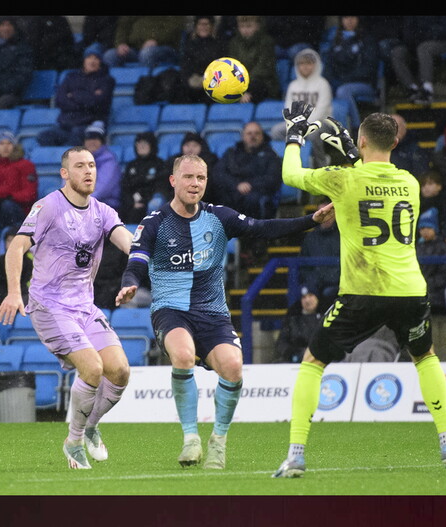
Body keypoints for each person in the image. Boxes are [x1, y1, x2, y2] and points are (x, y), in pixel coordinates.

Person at [273, 100, 446, 477]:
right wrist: (353, 153)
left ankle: (296, 454)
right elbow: (373, 183)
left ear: (361, 139)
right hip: (410, 290)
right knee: (425, 356)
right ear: (394, 143)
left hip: (362, 291)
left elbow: (290, 174)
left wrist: (296, 133)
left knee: (313, 362)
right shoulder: (410, 183)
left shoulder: (342, 179)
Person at [115, 152, 335, 470]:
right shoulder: (155, 222)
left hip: (213, 314)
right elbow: (137, 259)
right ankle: (191, 438)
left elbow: (264, 228)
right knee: (183, 355)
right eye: (188, 177)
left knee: (233, 367)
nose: (194, 183)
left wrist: (308, 221)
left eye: (201, 178)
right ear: (173, 181)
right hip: (171, 310)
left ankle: (218, 442)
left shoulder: (219, 217)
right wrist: (130, 282)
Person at [0, 145, 136, 470]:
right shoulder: (48, 207)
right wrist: (13, 292)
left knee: (120, 370)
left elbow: (127, 242)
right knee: (92, 368)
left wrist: (139, 269)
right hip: (49, 306)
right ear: (65, 173)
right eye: (80, 166)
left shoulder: (102, 212)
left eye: (91, 165)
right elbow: (16, 247)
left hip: (84, 307)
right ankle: (73, 442)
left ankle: (89, 427)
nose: (88, 171)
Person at [36, 49, 115, 147]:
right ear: (84, 60)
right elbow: (60, 100)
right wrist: (87, 97)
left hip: (88, 124)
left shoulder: (107, 80)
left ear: (100, 62)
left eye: (96, 58)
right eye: (89, 57)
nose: (92, 61)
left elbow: (97, 103)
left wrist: (74, 95)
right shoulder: (71, 77)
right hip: (66, 125)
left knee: (76, 135)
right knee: (43, 136)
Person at [268, 48, 333, 167]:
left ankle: (321, 162)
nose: (305, 67)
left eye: (309, 63)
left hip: (322, 123)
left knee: (313, 133)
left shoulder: (323, 83)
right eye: (301, 64)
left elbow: (322, 109)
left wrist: (306, 125)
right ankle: (292, 161)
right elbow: (289, 108)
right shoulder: (293, 85)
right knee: (276, 132)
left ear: (316, 64)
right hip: (298, 124)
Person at [207, 121, 282, 220]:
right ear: (243, 136)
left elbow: (273, 178)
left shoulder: (271, 156)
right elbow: (219, 173)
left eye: (257, 133)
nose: (253, 136)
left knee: (253, 200)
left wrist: (250, 185)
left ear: (262, 136)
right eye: (249, 133)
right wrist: (236, 185)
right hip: (232, 191)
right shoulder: (231, 153)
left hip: (257, 193)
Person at [0, 131, 39, 230]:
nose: (5, 147)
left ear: (14, 146)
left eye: (9, 143)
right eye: (1, 144)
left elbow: (30, 193)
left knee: (7, 206)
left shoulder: (26, 165)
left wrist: (10, 197)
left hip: (18, 208)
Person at [390, 16, 446, 105]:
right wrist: (413, 39)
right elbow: (406, 30)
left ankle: (427, 90)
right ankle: (412, 88)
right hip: (416, 43)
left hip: (440, 42)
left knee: (423, 48)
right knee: (397, 53)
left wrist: (423, 35)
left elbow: (444, 30)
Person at [324, 16, 380, 108]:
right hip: (339, 82)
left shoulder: (367, 39)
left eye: (352, 17)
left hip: (364, 83)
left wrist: (345, 80)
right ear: (341, 20)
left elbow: (369, 68)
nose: (349, 20)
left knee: (343, 91)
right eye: (346, 17)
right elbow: (329, 65)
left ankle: (353, 122)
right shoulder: (335, 41)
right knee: (324, 89)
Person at [226, 16, 281, 104]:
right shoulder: (234, 43)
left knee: (257, 87)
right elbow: (233, 65)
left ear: (258, 26)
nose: (245, 30)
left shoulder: (266, 42)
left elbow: (263, 67)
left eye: (249, 26)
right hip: (240, 82)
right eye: (242, 26)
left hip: (263, 82)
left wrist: (244, 85)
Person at [119, 131, 167, 224]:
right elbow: (125, 188)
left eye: (145, 143)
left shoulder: (160, 164)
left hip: (149, 204)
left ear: (152, 145)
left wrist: (144, 201)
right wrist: (132, 203)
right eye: (138, 143)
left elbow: (160, 187)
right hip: (131, 204)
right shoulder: (131, 165)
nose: (141, 146)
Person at [415, 207, 446, 315]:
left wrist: (426, 284)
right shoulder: (417, 247)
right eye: (422, 228)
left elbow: (445, 275)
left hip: (437, 292)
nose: (425, 231)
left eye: (428, 227)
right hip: (420, 289)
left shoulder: (443, 247)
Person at [178, 16, 227, 104]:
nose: (203, 27)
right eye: (200, 24)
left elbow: (222, 66)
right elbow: (185, 66)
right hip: (193, 86)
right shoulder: (189, 45)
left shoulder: (220, 45)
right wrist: (190, 79)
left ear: (211, 26)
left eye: (206, 24)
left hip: (213, 85)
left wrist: (206, 80)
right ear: (196, 27)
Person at [103, 16, 184, 69]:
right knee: (110, 56)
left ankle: (146, 88)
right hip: (136, 49)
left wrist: (156, 39)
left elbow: (175, 27)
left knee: (146, 54)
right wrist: (121, 43)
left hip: (164, 48)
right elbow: (123, 26)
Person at [298, 203, 340, 302]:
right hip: (314, 284)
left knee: (328, 293)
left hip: (337, 284)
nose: (324, 217)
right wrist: (313, 280)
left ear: (334, 214)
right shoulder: (309, 238)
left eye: (327, 213)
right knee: (305, 293)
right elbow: (303, 265)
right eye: (321, 213)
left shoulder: (343, 236)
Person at [274, 283, 324, 363]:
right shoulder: (292, 319)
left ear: (317, 297)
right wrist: (294, 353)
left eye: (310, 295)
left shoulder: (326, 317)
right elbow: (282, 342)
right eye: (304, 297)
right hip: (297, 361)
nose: (307, 300)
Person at [81, 121, 122, 210]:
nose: (92, 142)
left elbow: (102, 188)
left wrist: (80, 202)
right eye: (89, 138)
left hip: (106, 206)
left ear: (102, 141)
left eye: (96, 138)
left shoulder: (109, 160)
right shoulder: (79, 159)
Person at [390, 113, 429, 178]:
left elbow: (421, 173)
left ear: (404, 128)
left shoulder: (415, 149)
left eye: (398, 126)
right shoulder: (378, 148)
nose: (395, 130)